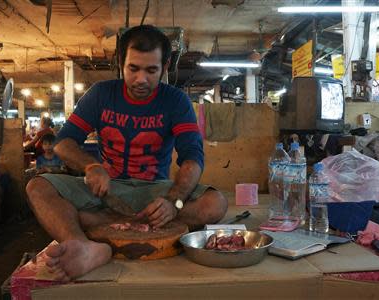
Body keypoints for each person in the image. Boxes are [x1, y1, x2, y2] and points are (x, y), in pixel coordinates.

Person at [26, 25, 228, 281]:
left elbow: (193, 157)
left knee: (215, 203)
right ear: (121, 62)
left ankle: (103, 221)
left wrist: (174, 202)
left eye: (151, 70)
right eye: (133, 68)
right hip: (108, 192)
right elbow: (63, 143)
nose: (141, 79)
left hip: (156, 192)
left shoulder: (176, 101)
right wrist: (91, 167)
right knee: (37, 187)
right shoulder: (100, 94)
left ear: (165, 67)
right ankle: (83, 246)